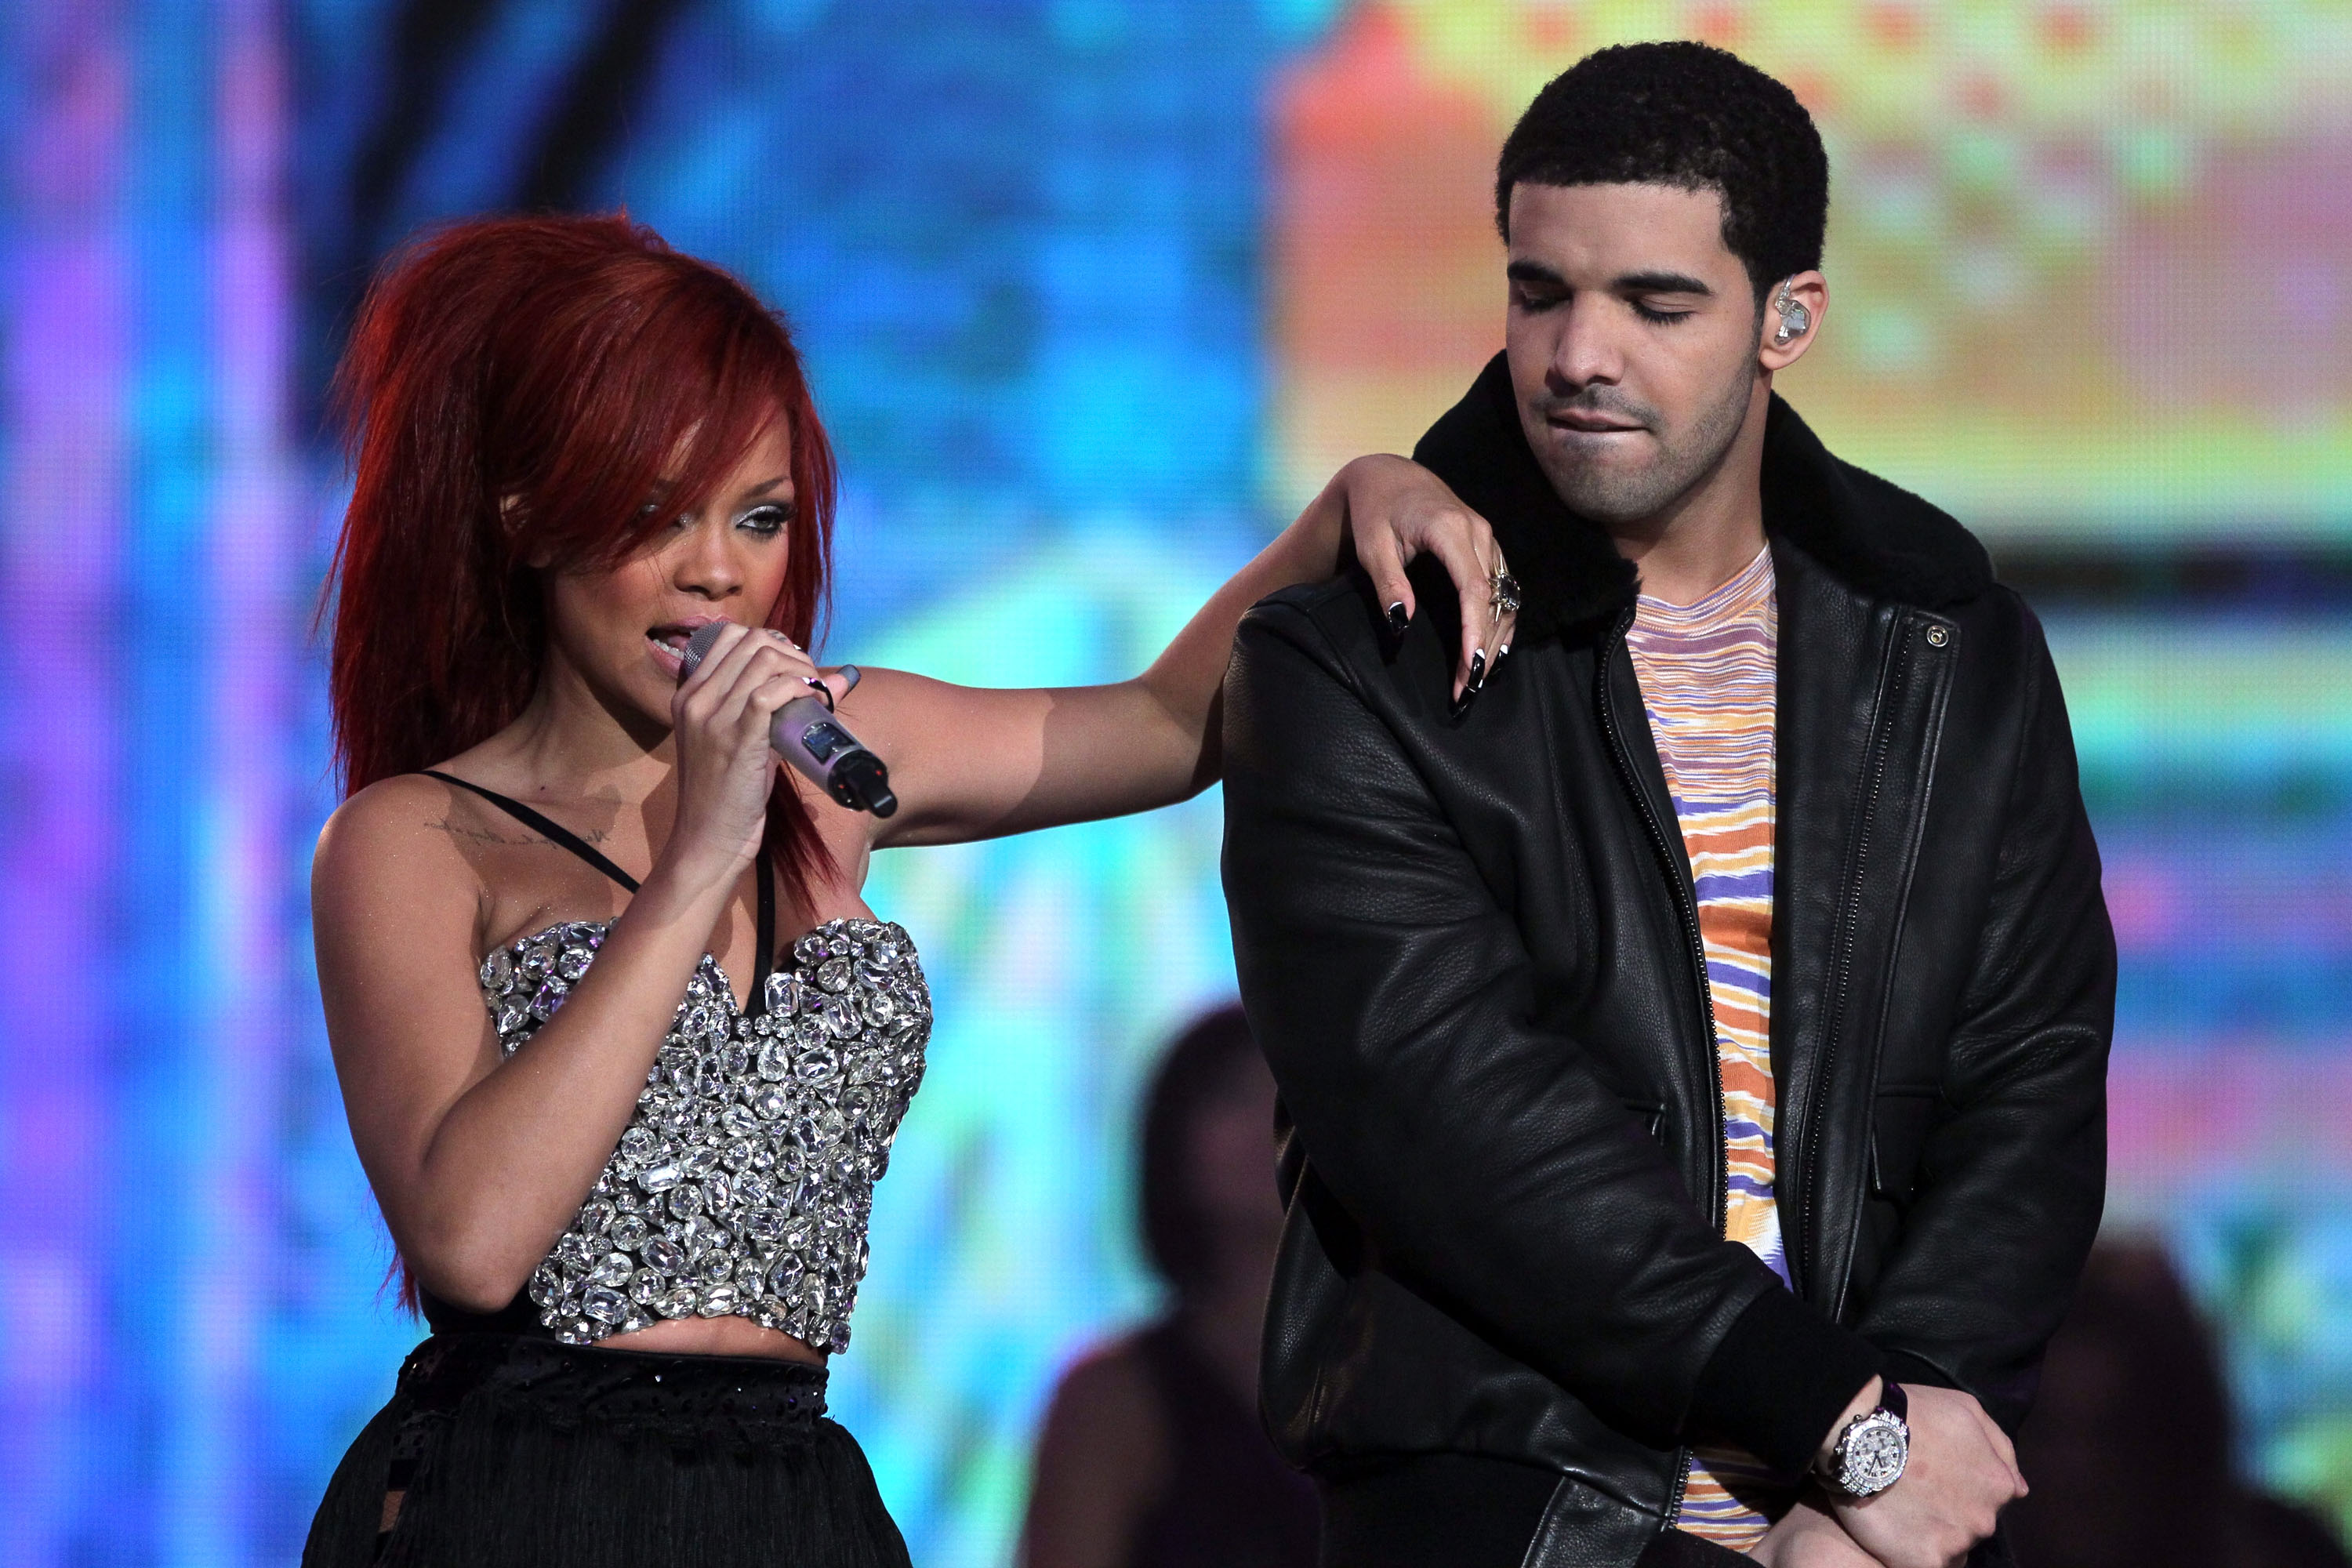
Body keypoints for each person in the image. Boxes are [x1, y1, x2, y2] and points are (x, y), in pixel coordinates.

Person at [298, 212, 1513, 1566]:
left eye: (757, 518)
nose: (720, 571)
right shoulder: (415, 839)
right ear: (530, 518)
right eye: (657, 515)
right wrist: (702, 854)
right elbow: (470, 1243)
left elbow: (1170, 727)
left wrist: (1348, 505)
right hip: (528, 1500)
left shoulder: (840, 753)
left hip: (792, 1493)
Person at [1221, 42, 2114, 1568]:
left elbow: (2031, 1080)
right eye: (1540, 291)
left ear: (1790, 319)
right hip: (1520, 1513)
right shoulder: (1354, 658)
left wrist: (1878, 1480)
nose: (1578, 353)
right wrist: (1843, 1418)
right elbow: (1447, 1114)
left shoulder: (1950, 643)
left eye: (1655, 302)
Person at [1021, 1004, 1319, 1568]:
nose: (1268, 1123)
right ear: (1175, 1135)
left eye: (1294, 1095)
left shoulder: (1412, 1374)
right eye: (1233, 1094)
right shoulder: (1111, 1399)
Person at [2005, 1240, 2352, 1568]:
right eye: (2048, 1432)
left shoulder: (2284, 1552)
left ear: (2183, 1434)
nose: (2078, 1469)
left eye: (2118, 1434)